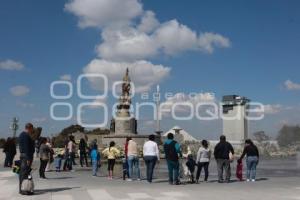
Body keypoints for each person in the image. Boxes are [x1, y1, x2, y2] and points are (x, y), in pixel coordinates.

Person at [18, 123, 35, 195]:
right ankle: (23, 189)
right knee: (24, 173)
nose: (32, 130)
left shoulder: (22, 134)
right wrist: (28, 158)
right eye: (32, 129)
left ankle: (28, 187)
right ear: (30, 128)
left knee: (27, 172)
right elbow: (26, 147)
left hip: (25, 156)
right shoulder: (25, 135)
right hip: (26, 157)